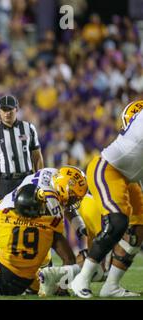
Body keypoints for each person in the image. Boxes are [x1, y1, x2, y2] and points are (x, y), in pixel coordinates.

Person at [71, 101, 143, 298]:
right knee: (117, 222)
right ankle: (82, 278)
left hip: (130, 179)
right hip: (107, 169)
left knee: (138, 229)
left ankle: (111, 286)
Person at [0, 95, 44, 211]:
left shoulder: (29, 128)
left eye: (10, 109)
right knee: (8, 219)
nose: (7, 113)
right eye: (4, 110)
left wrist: (39, 180)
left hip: (27, 179)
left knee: (31, 217)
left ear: (16, 109)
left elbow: (37, 157)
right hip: (5, 183)